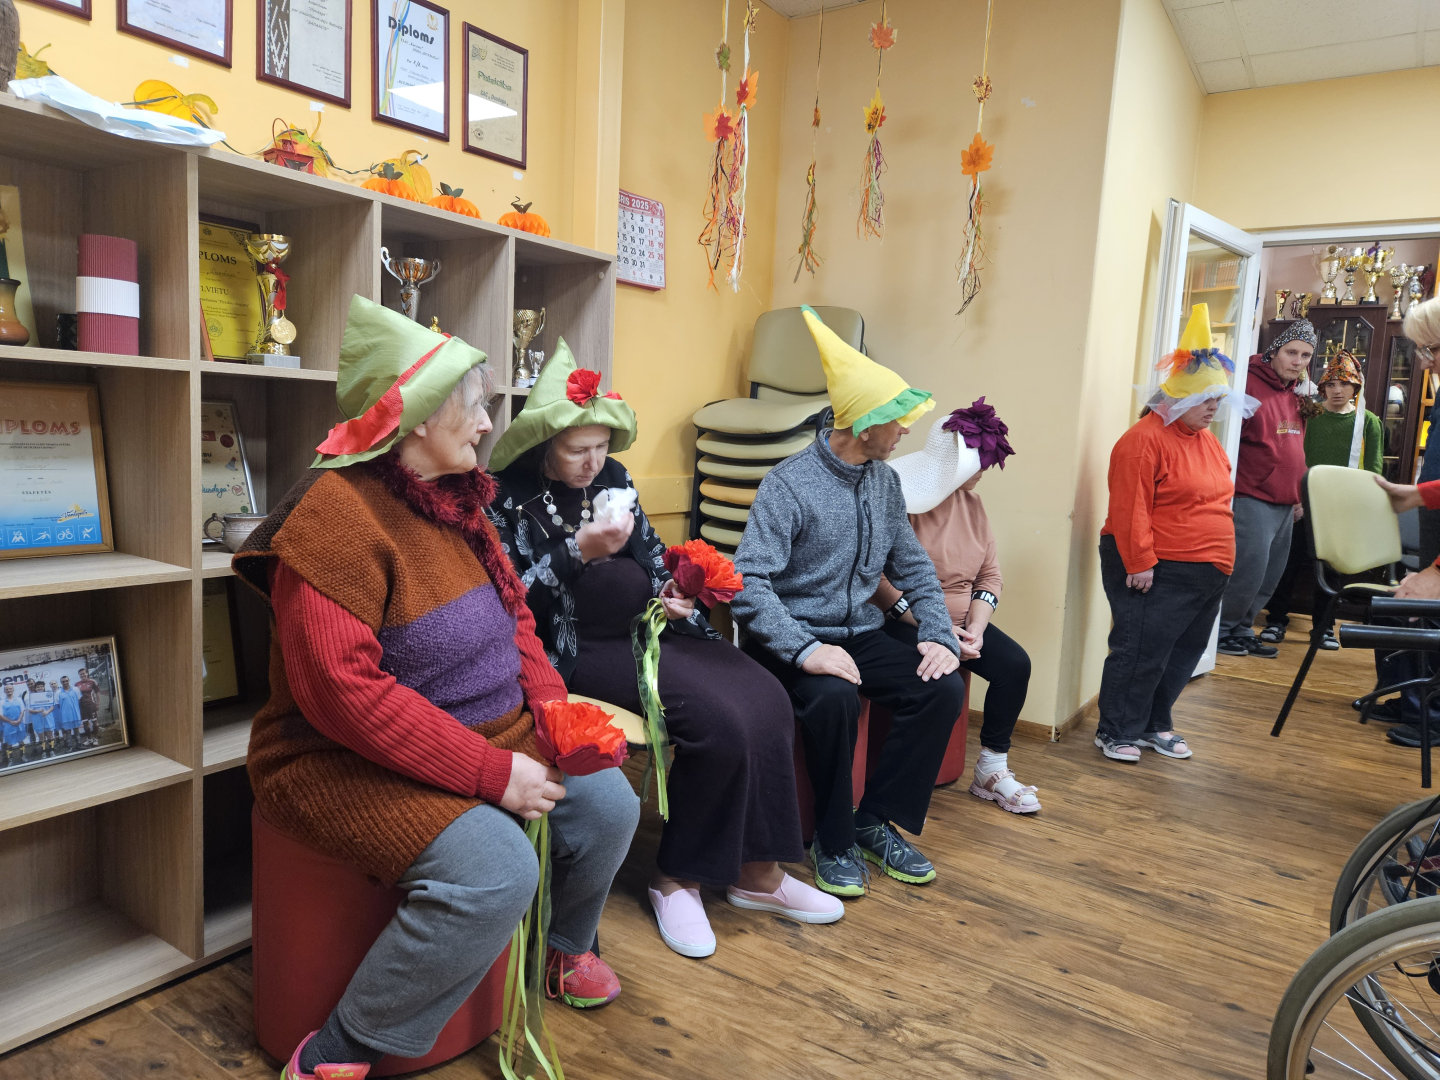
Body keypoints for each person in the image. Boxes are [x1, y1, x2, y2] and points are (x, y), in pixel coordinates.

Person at [233, 298, 639, 1080]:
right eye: (475, 406)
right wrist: (492, 774)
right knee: (499, 869)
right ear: (417, 418)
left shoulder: (454, 499)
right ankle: (334, 1054)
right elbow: (345, 696)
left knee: (611, 804)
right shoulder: (334, 518)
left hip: (482, 732)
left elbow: (516, 617)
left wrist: (554, 713)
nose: (488, 424)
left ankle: (561, 950)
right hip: (338, 760)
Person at [488, 340, 838, 962]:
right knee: (718, 721)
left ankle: (758, 873)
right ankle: (676, 878)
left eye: (603, 446)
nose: (594, 463)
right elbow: (507, 599)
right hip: (576, 648)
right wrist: (579, 553)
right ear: (544, 442)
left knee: (767, 696)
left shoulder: (616, 479)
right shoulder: (502, 498)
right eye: (577, 449)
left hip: (650, 629)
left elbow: (652, 555)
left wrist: (673, 592)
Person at [733, 305, 964, 898]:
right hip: (790, 639)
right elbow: (748, 583)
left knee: (941, 688)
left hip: (859, 633)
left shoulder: (883, 482)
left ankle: (873, 820)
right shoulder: (787, 484)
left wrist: (937, 632)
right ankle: (832, 840)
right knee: (834, 699)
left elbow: (912, 565)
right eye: (898, 421)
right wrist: (805, 650)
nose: (906, 431)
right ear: (865, 426)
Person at [1096, 304, 1253, 762]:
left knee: (1183, 652)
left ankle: (1153, 724)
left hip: (1208, 569)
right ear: (1181, 399)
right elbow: (1129, 508)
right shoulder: (1142, 440)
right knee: (1140, 650)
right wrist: (1140, 562)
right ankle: (1116, 730)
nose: (1214, 408)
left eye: (1218, 399)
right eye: (1206, 400)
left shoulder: (1207, 440)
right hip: (1159, 567)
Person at [873, 398, 1037, 812]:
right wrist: (937, 631)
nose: (985, 470)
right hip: (905, 620)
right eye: (979, 462)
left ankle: (991, 769)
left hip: (963, 621)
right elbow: (878, 581)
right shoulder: (902, 500)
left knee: (1014, 666)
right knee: (937, 681)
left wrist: (976, 629)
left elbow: (989, 576)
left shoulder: (974, 505)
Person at [1262, 350, 1382, 651]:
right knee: (1288, 563)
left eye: (1344, 384)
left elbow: (1373, 470)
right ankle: (1276, 620)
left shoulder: (1368, 422)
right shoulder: (1310, 415)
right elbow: (1293, 456)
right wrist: (1295, 497)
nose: (1337, 390)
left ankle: (1324, 627)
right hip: (1302, 503)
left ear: (1356, 387)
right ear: (1323, 387)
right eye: (1331, 384)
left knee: (1331, 571)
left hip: (1340, 509)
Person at [1216, 318, 1315, 658]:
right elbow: (1227, 440)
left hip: (1286, 500)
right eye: (1291, 352)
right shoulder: (1247, 384)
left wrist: (1298, 493)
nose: (1298, 362)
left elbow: (1295, 447)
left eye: (1305, 355)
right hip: (1251, 495)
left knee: (1269, 575)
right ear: (1274, 351)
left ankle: (1243, 628)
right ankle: (1222, 630)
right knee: (1247, 571)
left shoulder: (1298, 392)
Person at [54, 675, 82, 753]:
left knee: (76, 730)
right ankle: (69, 747)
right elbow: (58, 705)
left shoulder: (76, 689)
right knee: (68, 731)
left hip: (75, 714)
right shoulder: (58, 692)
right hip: (65, 716)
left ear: (69, 680)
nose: (65, 683)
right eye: (63, 682)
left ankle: (79, 745)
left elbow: (79, 700)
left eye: (66, 681)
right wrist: (65, 711)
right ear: (61, 682)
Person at [1, 684, 25, 767]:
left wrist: (19, 720)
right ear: (4, 691)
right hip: (8, 725)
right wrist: (10, 722)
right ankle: (10, 760)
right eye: (7, 689)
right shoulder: (1, 702)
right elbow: (0, 715)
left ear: (13, 689)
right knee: (9, 743)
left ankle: (23, 756)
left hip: (19, 723)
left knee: (21, 741)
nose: (9, 690)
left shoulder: (19, 699)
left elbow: (22, 711)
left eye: (10, 688)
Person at [75, 666, 99, 747]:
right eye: (80, 674)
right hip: (82, 707)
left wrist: (97, 704)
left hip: (91, 705)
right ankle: (89, 739)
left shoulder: (92, 682)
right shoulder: (77, 684)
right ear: (79, 675)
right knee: (85, 724)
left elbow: (97, 693)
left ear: (87, 673)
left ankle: (95, 738)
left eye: (83, 673)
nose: (82, 675)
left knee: (95, 723)